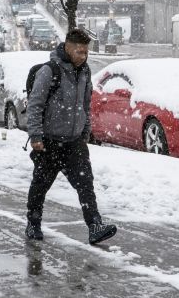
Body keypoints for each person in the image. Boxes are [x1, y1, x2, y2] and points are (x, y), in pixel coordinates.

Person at [25, 28, 117, 245]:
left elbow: (85, 104)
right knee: (41, 184)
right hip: (49, 142)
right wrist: (36, 136)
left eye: (85, 52)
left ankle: (95, 226)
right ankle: (33, 223)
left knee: (86, 183)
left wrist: (85, 132)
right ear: (67, 47)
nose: (83, 56)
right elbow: (35, 105)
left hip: (74, 142)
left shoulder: (84, 72)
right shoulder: (50, 71)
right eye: (79, 52)